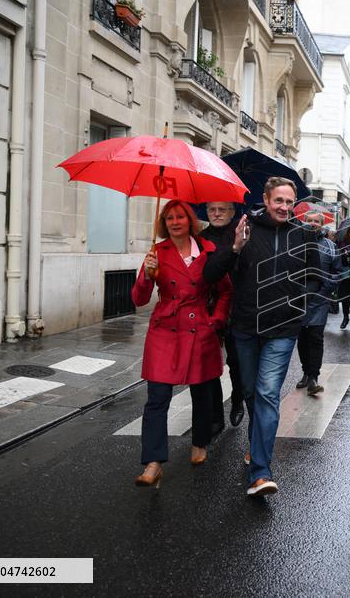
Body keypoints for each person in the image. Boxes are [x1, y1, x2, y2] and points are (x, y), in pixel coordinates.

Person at [203, 177, 320, 497]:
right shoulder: (244, 228)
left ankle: (261, 472)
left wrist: (299, 305)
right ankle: (257, 444)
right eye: (278, 201)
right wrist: (235, 247)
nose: (284, 207)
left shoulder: (303, 234)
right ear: (266, 200)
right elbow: (211, 274)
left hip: (282, 331)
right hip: (245, 328)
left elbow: (315, 275)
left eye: (289, 202)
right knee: (252, 392)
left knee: (268, 394)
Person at [131, 200, 232, 488]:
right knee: (157, 398)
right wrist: (147, 277)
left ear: (190, 220)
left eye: (181, 216)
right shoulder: (156, 253)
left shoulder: (209, 251)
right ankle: (152, 463)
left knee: (201, 393)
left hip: (200, 328)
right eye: (170, 217)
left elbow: (225, 292)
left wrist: (216, 319)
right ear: (164, 223)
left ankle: (200, 442)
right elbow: (138, 299)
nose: (175, 221)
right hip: (165, 331)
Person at [199, 201, 245, 428]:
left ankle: (238, 400)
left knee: (236, 361)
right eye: (211, 210)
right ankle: (215, 416)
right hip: (209, 306)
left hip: (237, 307)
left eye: (222, 209)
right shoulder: (200, 238)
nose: (216, 214)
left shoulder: (243, 232)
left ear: (232, 212)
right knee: (208, 364)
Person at [296, 210, 344, 395]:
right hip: (299, 300)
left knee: (315, 337)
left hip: (320, 300)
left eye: (317, 221)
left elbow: (338, 272)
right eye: (309, 220)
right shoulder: (297, 243)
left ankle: (314, 376)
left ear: (322, 224)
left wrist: (325, 290)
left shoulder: (330, 246)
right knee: (302, 338)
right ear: (304, 222)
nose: (313, 224)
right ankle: (306, 372)